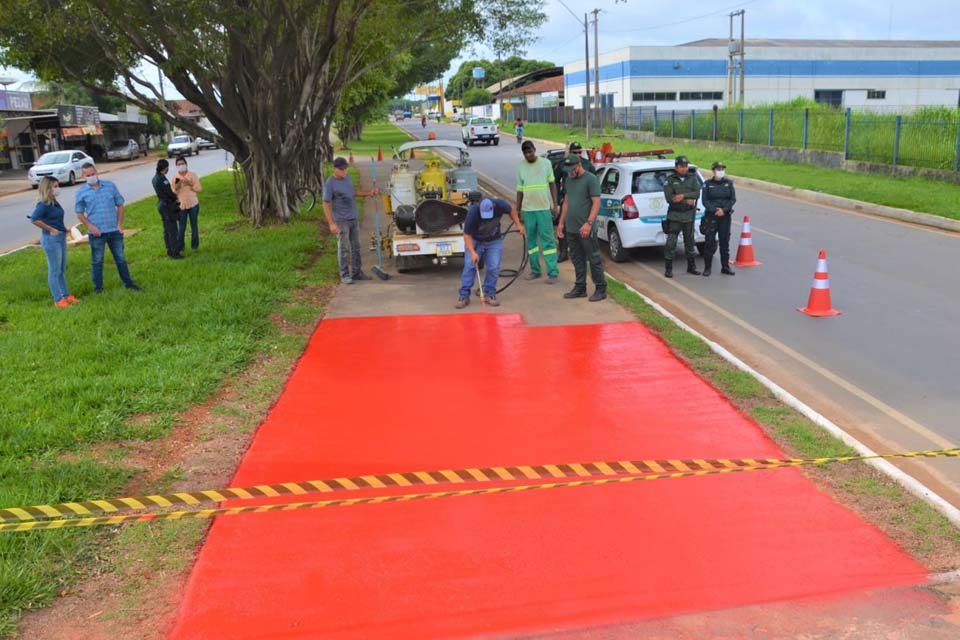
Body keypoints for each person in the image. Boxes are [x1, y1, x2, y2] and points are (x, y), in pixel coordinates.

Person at [75, 163, 141, 292]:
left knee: (120, 258)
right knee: (97, 261)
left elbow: (120, 204)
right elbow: (79, 212)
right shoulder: (81, 192)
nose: (91, 177)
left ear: (97, 172)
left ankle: (129, 284)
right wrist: (90, 226)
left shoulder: (110, 186)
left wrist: (119, 224)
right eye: (88, 175)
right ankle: (98, 288)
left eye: (92, 174)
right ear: (83, 176)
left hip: (114, 230)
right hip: (96, 233)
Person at [456, 196, 523, 309]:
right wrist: (472, 252)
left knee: (494, 267)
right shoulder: (473, 212)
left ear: (493, 207)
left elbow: (511, 210)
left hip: (494, 240)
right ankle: (464, 296)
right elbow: (467, 236)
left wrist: (518, 224)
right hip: (475, 240)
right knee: (470, 266)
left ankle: (489, 293)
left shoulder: (500, 205)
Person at [322, 156, 379, 284]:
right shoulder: (330, 183)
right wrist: (331, 223)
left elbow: (353, 193)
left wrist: (369, 193)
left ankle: (357, 272)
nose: (344, 171)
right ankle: (344, 275)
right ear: (335, 169)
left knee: (356, 247)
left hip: (353, 218)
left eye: (346, 169)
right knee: (344, 248)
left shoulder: (347, 178)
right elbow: (325, 203)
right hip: (341, 221)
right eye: (341, 169)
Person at [557, 156, 606, 302]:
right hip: (571, 228)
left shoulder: (590, 179)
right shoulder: (568, 180)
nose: (569, 173)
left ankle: (601, 288)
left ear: (578, 165)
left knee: (594, 259)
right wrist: (561, 223)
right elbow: (566, 202)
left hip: (586, 229)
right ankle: (580, 287)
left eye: (571, 169)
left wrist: (589, 223)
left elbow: (596, 203)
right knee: (577, 259)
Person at [516, 140, 560, 284]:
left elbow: (552, 184)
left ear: (535, 150)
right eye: (526, 153)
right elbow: (520, 190)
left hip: (543, 208)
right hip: (528, 210)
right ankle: (535, 270)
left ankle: (553, 272)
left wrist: (555, 204)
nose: (529, 154)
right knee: (532, 242)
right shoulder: (520, 166)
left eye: (530, 151)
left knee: (548, 241)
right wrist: (518, 209)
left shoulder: (546, 163)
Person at [30, 177, 77, 307]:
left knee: (61, 269)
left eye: (57, 186)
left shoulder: (53, 202)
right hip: (51, 240)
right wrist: (50, 229)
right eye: (55, 186)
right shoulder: (43, 204)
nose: (57, 189)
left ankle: (66, 296)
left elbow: (55, 219)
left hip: (60, 237)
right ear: (48, 188)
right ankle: (58, 300)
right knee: (54, 270)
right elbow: (34, 219)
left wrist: (64, 229)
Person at [662, 155, 701, 278]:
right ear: (676, 167)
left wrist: (682, 196)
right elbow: (670, 198)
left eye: (686, 166)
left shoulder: (692, 178)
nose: (684, 169)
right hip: (675, 216)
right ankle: (668, 269)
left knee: (690, 242)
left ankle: (691, 266)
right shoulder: (670, 180)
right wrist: (686, 200)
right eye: (681, 166)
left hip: (689, 216)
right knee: (671, 243)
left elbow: (697, 192)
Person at [701, 161, 737, 277]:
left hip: (725, 217)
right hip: (711, 216)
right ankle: (707, 268)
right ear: (713, 171)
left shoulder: (729, 183)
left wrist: (724, 210)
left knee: (724, 242)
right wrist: (714, 210)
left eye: (722, 169)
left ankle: (725, 267)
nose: (720, 171)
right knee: (709, 242)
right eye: (718, 169)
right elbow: (705, 201)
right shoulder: (707, 184)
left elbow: (732, 199)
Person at [152, 159, 182, 259]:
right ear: (165, 167)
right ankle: (175, 252)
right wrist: (176, 198)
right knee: (172, 229)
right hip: (167, 206)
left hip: (161, 204)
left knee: (166, 228)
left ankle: (169, 249)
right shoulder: (162, 179)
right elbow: (168, 193)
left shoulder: (155, 178)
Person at [172, 156, 203, 252]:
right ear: (176, 166)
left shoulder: (192, 175)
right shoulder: (175, 177)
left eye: (182, 164)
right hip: (181, 205)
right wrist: (177, 187)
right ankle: (180, 246)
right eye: (179, 164)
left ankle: (195, 246)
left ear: (186, 164)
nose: (181, 166)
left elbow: (199, 189)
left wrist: (189, 183)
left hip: (193, 203)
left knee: (194, 225)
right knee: (182, 227)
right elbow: (173, 192)